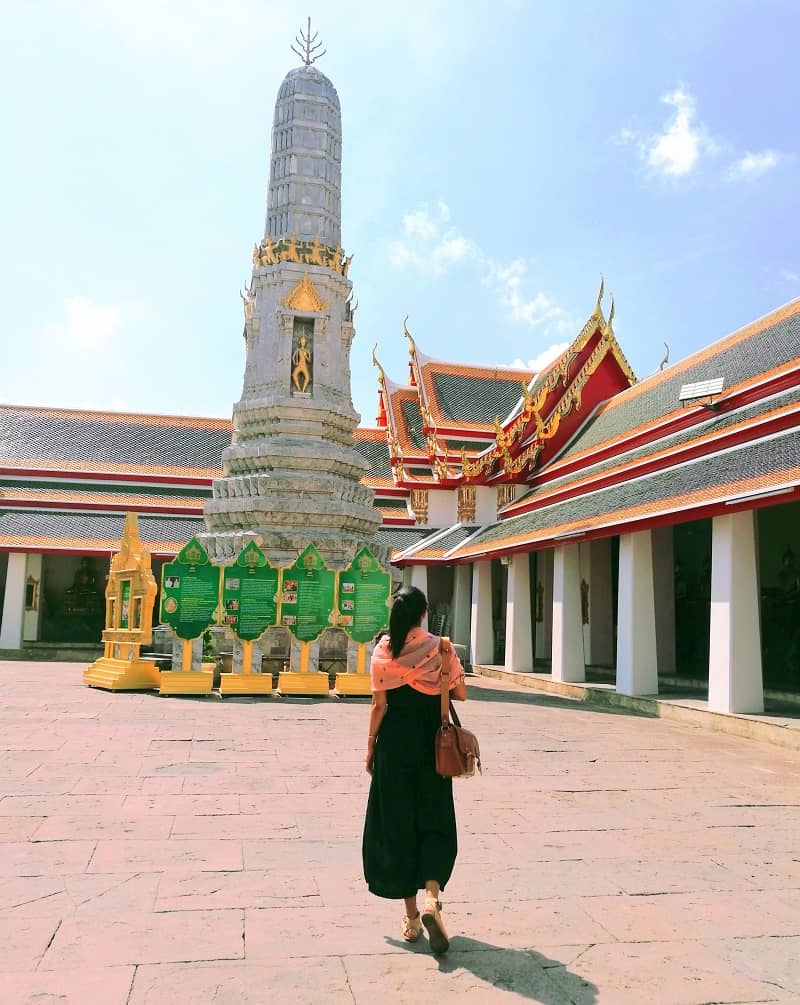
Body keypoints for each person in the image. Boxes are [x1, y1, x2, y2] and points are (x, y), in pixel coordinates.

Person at [362, 585, 467, 955]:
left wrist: (370, 745)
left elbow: (378, 706)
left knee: (397, 826)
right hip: (431, 748)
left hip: (393, 747)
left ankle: (410, 918)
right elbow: (461, 694)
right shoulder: (441, 648)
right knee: (435, 819)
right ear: (424, 614)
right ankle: (432, 900)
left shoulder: (383, 651)